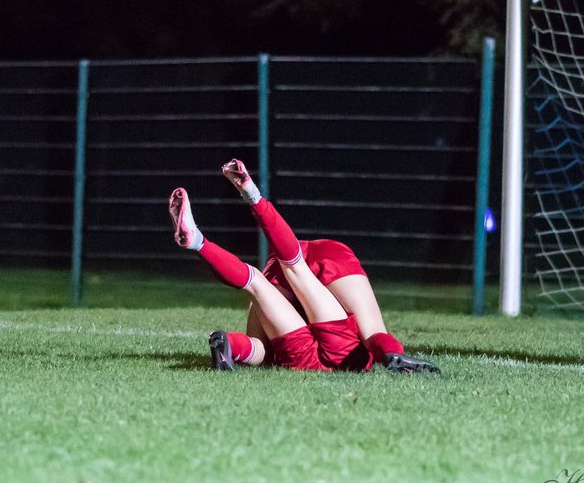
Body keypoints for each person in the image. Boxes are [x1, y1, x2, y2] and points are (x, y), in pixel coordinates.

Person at [169, 159, 440, 373]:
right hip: (341, 356)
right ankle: (251, 200)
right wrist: (392, 353)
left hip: (300, 355)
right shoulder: (327, 258)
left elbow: (259, 348)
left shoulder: (276, 275)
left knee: (257, 282)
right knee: (297, 268)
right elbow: (373, 335)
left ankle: (199, 242)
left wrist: (235, 345)